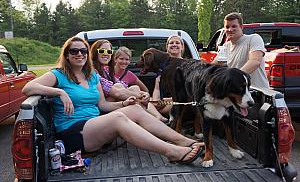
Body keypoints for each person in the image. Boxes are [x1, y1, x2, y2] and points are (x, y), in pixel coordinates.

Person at [22, 36, 204, 163]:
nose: (79, 54)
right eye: (74, 51)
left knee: (134, 109)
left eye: (83, 51)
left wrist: (124, 104)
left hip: (95, 124)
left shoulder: (92, 76)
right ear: (67, 55)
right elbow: (28, 88)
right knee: (118, 118)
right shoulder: (58, 75)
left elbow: (103, 105)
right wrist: (59, 92)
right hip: (73, 132)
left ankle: (183, 141)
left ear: (87, 54)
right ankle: (171, 152)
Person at [90, 40, 168, 122]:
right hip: (103, 108)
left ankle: (155, 118)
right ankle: (151, 120)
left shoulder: (107, 71)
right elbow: (117, 93)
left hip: (115, 103)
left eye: (109, 51)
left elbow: (126, 86)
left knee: (134, 87)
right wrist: (140, 96)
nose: (106, 53)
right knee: (119, 87)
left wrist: (144, 94)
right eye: (102, 51)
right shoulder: (93, 72)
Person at [212, 12, 269, 89]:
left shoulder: (253, 39)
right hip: (239, 94)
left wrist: (235, 77)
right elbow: (213, 66)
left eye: (234, 26)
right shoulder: (225, 46)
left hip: (257, 93)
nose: (230, 29)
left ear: (241, 27)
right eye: (227, 27)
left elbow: (255, 61)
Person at [152, 35, 185, 115]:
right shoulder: (162, 66)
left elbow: (186, 93)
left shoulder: (187, 65)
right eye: (171, 43)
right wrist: (155, 102)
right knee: (146, 102)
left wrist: (167, 101)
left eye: (177, 43)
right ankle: (157, 116)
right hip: (161, 103)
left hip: (177, 102)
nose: (174, 44)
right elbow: (157, 88)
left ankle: (157, 116)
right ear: (167, 47)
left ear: (182, 47)